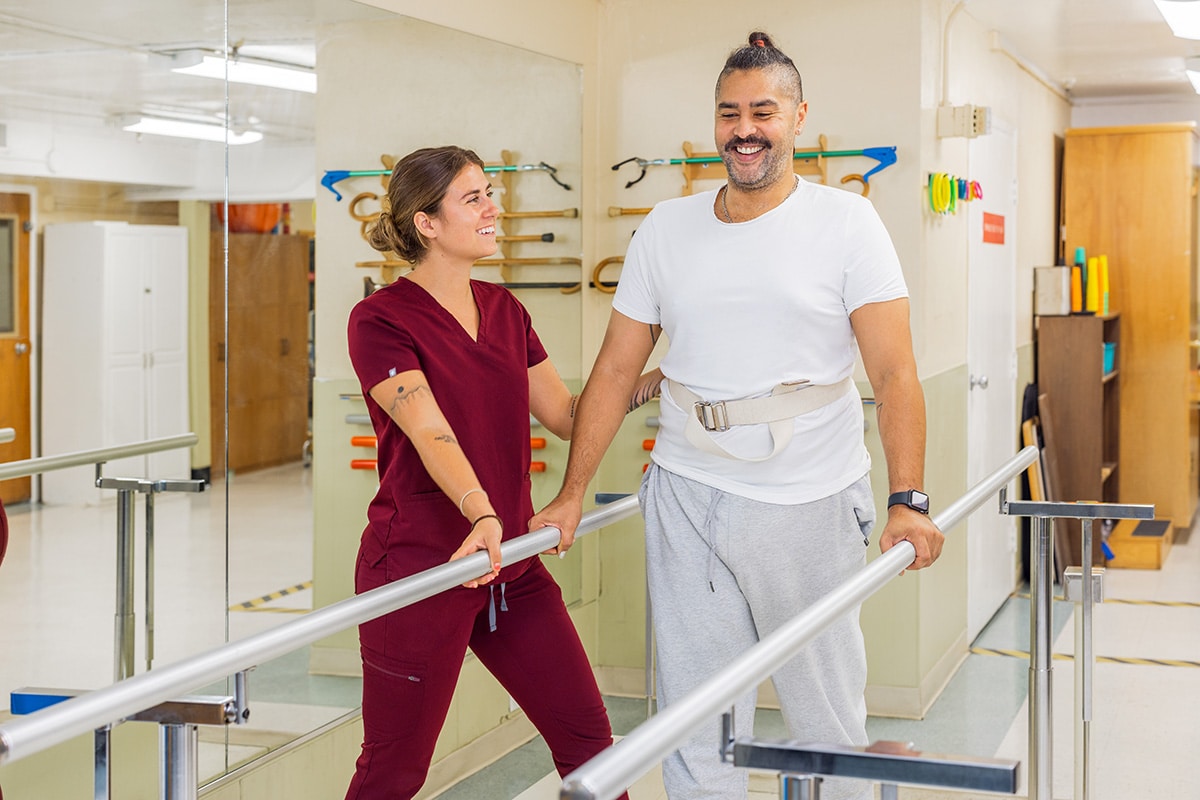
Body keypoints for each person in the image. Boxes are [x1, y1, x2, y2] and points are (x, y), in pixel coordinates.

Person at [531, 32, 944, 800]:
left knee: (823, 718)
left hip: (809, 498)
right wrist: (570, 492)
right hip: (685, 492)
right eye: (729, 113)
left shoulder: (847, 224)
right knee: (696, 722)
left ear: (797, 117)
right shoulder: (665, 227)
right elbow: (618, 368)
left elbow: (893, 372)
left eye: (763, 110)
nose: (744, 129)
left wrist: (907, 498)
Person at [344, 146, 647, 799]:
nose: (493, 207)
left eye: (490, 192)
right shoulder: (379, 320)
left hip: (512, 563)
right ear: (427, 223)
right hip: (422, 568)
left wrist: (659, 380)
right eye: (473, 197)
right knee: (395, 770)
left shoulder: (506, 311)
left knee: (592, 748)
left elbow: (567, 414)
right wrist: (480, 510)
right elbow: (428, 429)